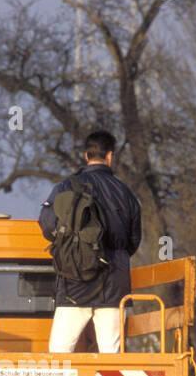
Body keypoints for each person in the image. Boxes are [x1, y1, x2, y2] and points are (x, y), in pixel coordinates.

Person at [38, 130, 142, 353]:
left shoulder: (66, 187)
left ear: (86, 156)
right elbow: (134, 241)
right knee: (111, 355)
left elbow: (46, 225)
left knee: (59, 352)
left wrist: (70, 248)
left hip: (75, 280)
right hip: (114, 283)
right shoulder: (126, 193)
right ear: (110, 156)